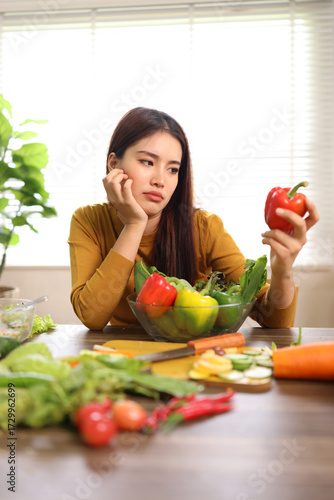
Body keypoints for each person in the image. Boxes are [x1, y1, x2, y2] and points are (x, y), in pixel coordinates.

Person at [68, 107, 320, 330]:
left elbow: (272, 319)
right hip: (121, 357)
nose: (160, 180)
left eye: (173, 169)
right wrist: (135, 225)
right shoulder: (88, 221)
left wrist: (282, 271)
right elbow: (92, 316)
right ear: (114, 164)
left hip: (195, 355)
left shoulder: (204, 228)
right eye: (147, 161)